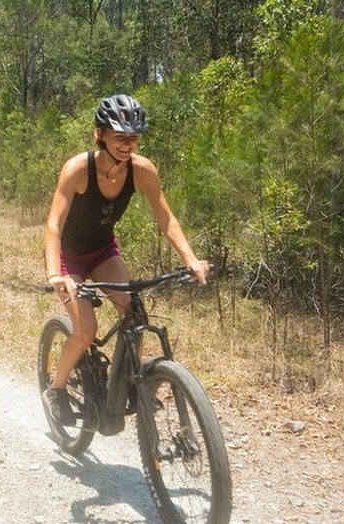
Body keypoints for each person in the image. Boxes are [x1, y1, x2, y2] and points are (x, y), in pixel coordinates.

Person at [42, 94, 209, 426]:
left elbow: (167, 220)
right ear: (99, 134)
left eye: (133, 137)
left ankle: (131, 383)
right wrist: (54, 274)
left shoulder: (142, 170)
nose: (127, 144)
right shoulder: (77, 169)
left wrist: (191, 259)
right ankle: (57, 389)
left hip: (102, 251)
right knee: (86, 328)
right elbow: (53, 224)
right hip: (68, 259)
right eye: (120, 136)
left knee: (135, 313)